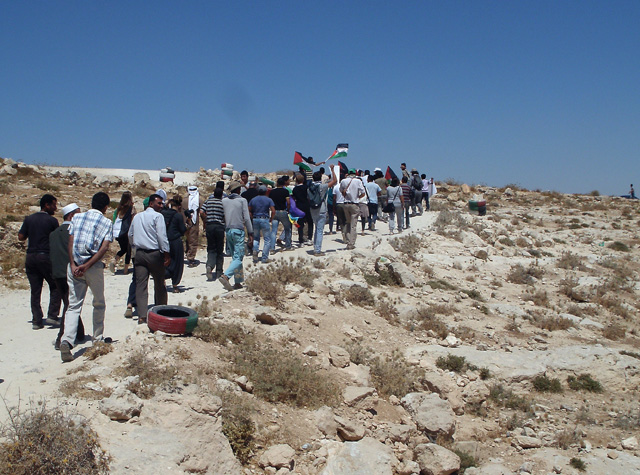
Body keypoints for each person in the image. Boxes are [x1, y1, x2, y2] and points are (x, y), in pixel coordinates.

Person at [59, 192, 113, 362]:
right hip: (92, 267)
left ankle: (67, 340)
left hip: (74, 266)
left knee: (73, 305)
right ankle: (97, 339)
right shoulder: (106, 222)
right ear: (105, 207)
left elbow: (71, 242)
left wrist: (74, 265)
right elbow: (104, 248)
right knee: (98, 303)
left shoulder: (76, 218)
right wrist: (87, 265)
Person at [18, 193, 61, 329]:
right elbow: (57, 239)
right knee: (55, 285)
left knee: (35, 289)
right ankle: (52, 316)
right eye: (54, 205)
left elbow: (20, 237)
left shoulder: (29, 219)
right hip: (45, 256)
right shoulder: (52, 221)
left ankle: (36, 320)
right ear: (46, 205)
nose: (55, 208)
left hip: (30, 257)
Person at [128, 194, 170, 325]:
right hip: (154, 253)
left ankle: (142, 316)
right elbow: (161, 236)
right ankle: (160, 311)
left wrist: (134, 246)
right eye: (159, 203)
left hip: (139, 254)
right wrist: (166, 253)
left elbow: (130, 234)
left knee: (141, 285)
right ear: (151, 204)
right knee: (159, 283)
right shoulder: (158, 216)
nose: (161, 206)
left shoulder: (137, 217)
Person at [50, 203, 84, 349]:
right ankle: (61, 338)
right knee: (70, 305)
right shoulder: (72, 232)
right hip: (69, 272)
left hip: (56, 273)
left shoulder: (54, 233)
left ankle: (80, 333)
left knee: (68, 302)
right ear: (71, 216)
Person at [218, 181, 253, 291]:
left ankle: (238, 282)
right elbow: (246, 218)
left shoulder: (224, 201)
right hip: (238, 230)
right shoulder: (242, 200)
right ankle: (226, 276)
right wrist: (250, 232)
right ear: (238, 190)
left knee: (235, 257)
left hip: (228, 231)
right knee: (239, 257)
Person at [307, 167, 337, 255]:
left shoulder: (309, 188)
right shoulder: (322, 186)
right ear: (320, 178)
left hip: (312, 209)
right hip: (322, 208)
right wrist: (332, 170)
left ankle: (315, 247)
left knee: (316, 228)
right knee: (319, 230)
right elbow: (334, 180)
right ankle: (317, 250)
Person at [162, 195, 187, 292]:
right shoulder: (178, 216)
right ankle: (175, 284)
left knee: (165, 261)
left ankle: (162, 277)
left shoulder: (163, 213)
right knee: (177, 263)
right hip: (176, 241)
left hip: (165, 240)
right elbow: (182, 230)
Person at [203, 186, 226, 281]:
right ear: (221, 195)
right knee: (219, 249)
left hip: (210, 226)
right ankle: (219, 271)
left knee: (211, 248)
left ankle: (209, 265)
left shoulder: (208, 201)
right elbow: (225, 214)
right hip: (219, 227)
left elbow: (201, 211)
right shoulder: (223, 202)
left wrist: (205, 220)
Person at [339, 168, 365, 250]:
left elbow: (341, 190)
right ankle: (351, 243)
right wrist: (357, 197)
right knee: (353, 225)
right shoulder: (358, 181)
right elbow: (363, 193)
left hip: (346, 204)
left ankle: (347, 239)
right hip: (354, 204)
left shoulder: (343, 181)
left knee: (348, 222)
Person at [110, 191, 135, 275]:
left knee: (123, 249)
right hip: (126, 232)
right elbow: (133, 220)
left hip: (118, 233)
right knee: (128, 250)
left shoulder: (118, 208)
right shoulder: (131, 208)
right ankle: (126, 269)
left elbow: (114, 219)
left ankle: (114, 260)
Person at [248, 185, 275, 263]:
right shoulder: (268, 200)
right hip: (264, 218)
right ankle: (264, 257)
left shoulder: (253, 199)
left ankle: (255, 251)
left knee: (256, 237)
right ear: (266, 191)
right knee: (267, 239)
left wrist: (252, 217)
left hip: (256, 219)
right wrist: (271, 218)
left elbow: (249, 210)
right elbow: (273, 211)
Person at [269, 176, 292, 252]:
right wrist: (288, 209)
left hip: (275, 212)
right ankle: (288, 246)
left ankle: (272, 248)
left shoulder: (272, 192)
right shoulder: (285, 192)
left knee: (274, 231)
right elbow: (288, 202)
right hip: (283, 211)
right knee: (287, 228)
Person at [183, 185, 203, 267]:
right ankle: (191, 258)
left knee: (187, 239)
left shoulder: (184, 199)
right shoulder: (199, 199)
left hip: (184, 222)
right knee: (193, 240)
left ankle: (187, 253)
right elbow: (203, 211)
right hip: (193, 223)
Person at [292, 173, 313, 246]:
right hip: (306, 205)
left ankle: (301, 240)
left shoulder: (295, 189)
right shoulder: (306, 187)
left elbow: (294, 198)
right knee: (310, 222)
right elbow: (309, 196)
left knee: (300, 224)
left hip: (299, 206)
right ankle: (309, 238)